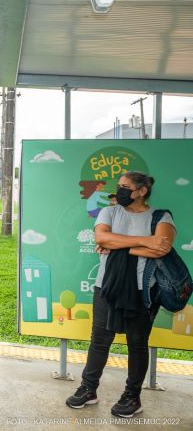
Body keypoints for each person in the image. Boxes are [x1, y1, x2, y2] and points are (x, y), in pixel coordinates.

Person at [66, 171, 175, 418]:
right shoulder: (110, 212)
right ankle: (88, 389)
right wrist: (144, 242)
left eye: (125, 187)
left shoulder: (161, 216)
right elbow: (101, 237)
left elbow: (161, 249)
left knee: (137, 343)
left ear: (141, 191)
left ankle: (132, 396)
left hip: (144, 290)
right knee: (100, 340)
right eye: (119, 186)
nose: (120, 191)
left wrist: (117, 246)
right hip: (107, 286)